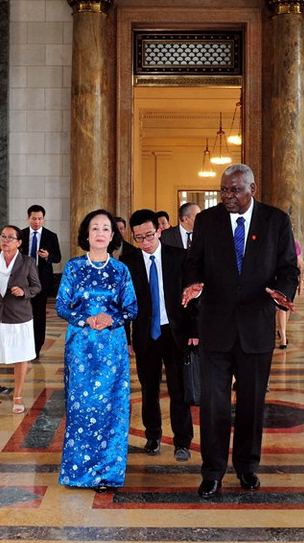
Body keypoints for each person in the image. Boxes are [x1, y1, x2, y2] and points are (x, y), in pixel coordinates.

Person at [182, 163, 299, 499]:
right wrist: (193, 284)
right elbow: (194, 263)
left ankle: (247, 467)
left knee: (251, 404)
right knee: (214, 405)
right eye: (223, 189)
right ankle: (213, 472)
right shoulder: (207, 220)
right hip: (215, 328)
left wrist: (283, 292)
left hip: (256, 328)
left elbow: (288, 268)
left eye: (234, 189)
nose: (227, 196)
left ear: (252, 188)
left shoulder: (276, 221)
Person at [55, 209, 138, 492]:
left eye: (105, 229)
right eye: (95, 228)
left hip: (112, 350)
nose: (100, 233)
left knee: (112, 409)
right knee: (81, 408)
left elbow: (132, 307)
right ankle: (79, 472)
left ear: (112, 236)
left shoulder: (120, 271)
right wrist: (85, 319)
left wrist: (111, 319)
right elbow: (61, 305)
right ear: (86, 235)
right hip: (80, 348)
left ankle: (108, 473)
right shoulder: (74, 268)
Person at [121, 209, 195, 462]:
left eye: (149, 235)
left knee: (179, 390)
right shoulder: (128, 263)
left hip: (175, 333)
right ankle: (153, 436)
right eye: (139, 238)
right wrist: (127, 338)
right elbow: (123, 304)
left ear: (160, 230)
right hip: (145, 335)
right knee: (149, 388)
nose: (145, 242)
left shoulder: (179, 257)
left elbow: (192, 298)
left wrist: (194, 332)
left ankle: (182, 441)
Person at [0, 224, 41, 416]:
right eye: (3, 237)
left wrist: (24, 292)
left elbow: (36, 287)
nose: (5, 241)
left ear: (19, 242)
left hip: (19, 317)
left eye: (10, 238)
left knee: (20, 358)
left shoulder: (27, 262)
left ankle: (18, 396)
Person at [20, 205, 62, 358]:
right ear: (28, 218)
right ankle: (22, 346)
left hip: (42, 280)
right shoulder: (21, 234)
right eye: (34, 218)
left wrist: (48, 256)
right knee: (22, 314)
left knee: (39, 314)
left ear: (43, 219)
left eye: (40, 219)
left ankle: (36, 348)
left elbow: (57, 257)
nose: (37, 222)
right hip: (23, 281)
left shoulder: (51, 236)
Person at [275, 232, 304, 349]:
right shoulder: (274, 243)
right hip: (277, 278)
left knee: (286, 307)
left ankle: (282, 329)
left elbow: (300, 265)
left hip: (290, 279)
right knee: (281, 307)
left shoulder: (295, 245)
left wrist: (301, 283)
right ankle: (283, 336)